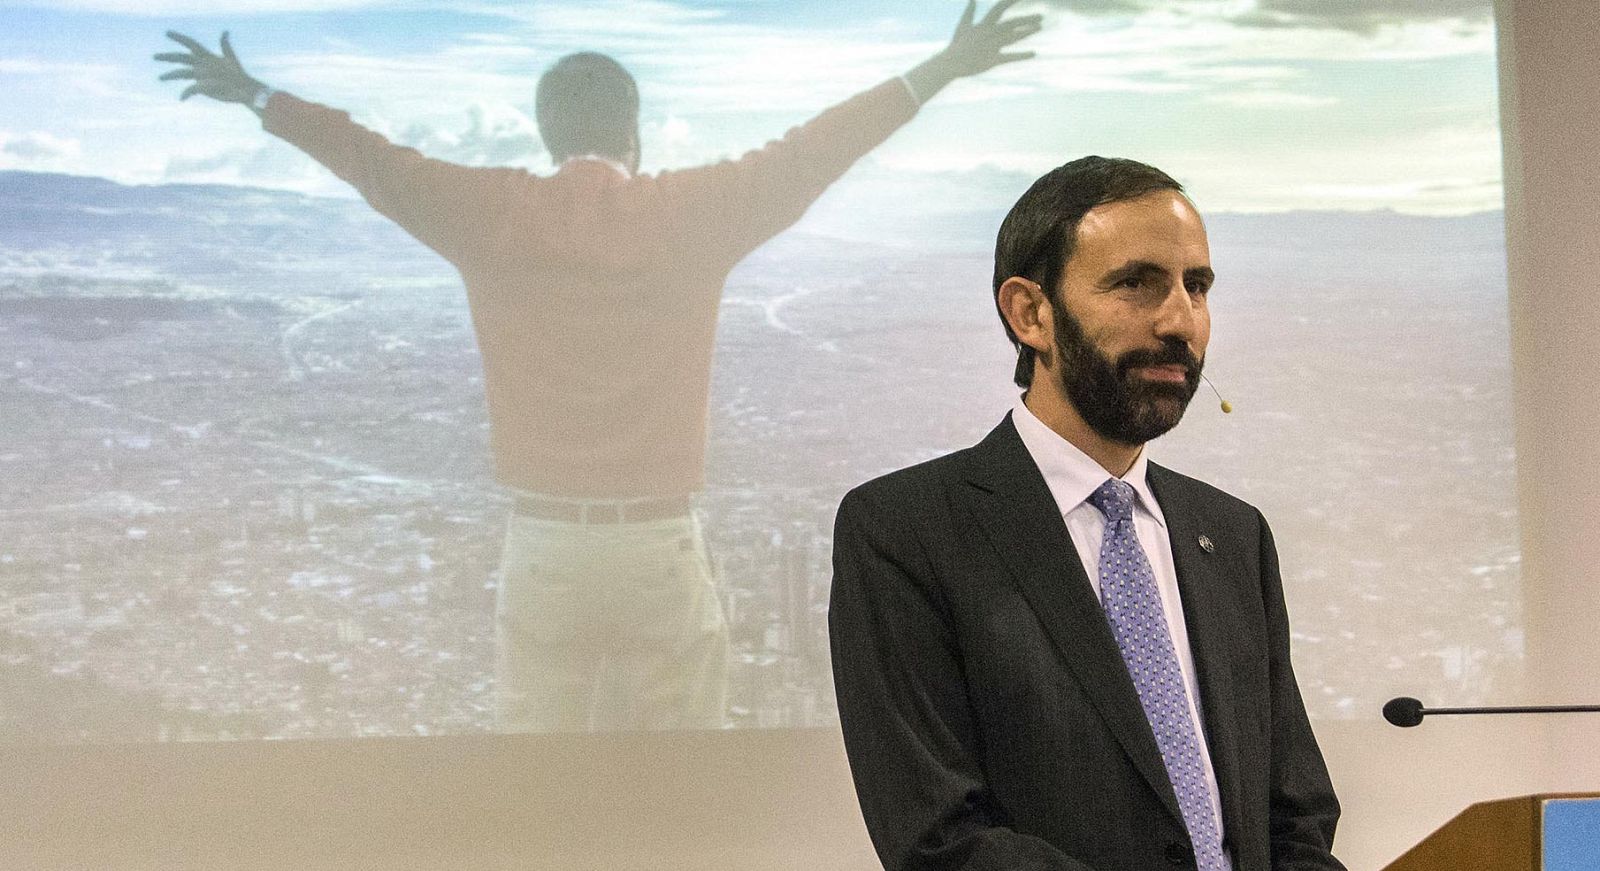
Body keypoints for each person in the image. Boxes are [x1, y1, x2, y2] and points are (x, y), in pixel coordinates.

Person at [154, 2, 1043, 733]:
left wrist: (256, 95)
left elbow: (373, 161)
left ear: (547, 134)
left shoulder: (487, 213)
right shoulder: (688, 213)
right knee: (678, 795)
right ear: (634, 133)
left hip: (543, 547)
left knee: (536, 793)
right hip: (658, 548)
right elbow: (812, 151)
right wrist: (940, 69)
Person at [829, 157, 1345, 870]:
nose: (1180, 320)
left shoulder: (1231, 534)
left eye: (1197, 287)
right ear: (1030, 313)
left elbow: (1295, 815)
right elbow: (940, 838)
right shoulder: (906, 532)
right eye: (1136, 283)